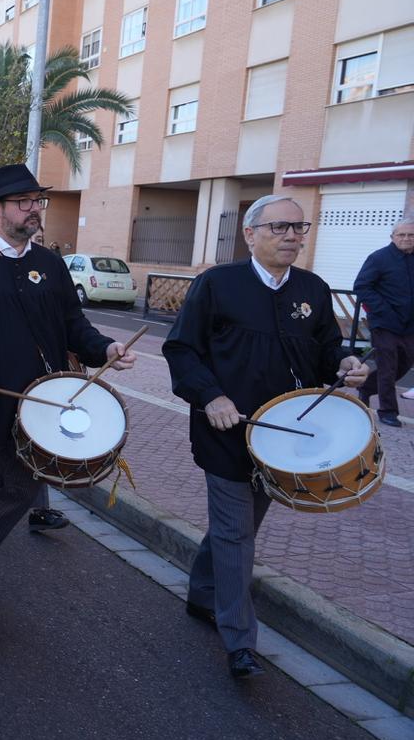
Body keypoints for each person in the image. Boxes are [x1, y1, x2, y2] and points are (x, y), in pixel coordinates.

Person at [0, 163, 135, 654]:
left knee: (20, 491)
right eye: (24, 202)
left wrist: (105, 350)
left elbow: (73, 323)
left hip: (38, 413)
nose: (35, 209)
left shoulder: (52, 265)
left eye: (38, 201)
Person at [163, 194, 369, 680]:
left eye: (300, 228)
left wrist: (345, 366)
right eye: (280, 227)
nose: (293, 236)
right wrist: (210, 396)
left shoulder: (314, 290)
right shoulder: (216, 285)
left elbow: (326, 353)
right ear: (250, 234)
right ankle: (240, 642)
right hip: (226, 433)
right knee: (237, 533)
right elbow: (181, 351)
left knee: (241, 528)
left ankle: (202, 595)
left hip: (285, 440)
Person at [354, 215, 414, 428]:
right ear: (393, 237)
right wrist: (383, 311)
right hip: (384, 323)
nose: (406, 238)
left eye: (411, 235)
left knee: (403, 365)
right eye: (402, 234)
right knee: (387, 367)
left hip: (409, 326)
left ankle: (367, 387)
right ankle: (388, 411)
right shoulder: (379, 258)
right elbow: (362, 286)